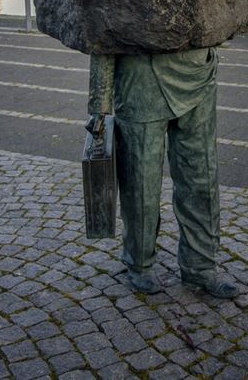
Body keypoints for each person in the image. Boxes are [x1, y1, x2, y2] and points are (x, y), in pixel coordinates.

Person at [88, 48, 238, 298]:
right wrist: (99, 103)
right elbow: (101, 26)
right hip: (140, 78)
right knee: (141, 182)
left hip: (197, 73)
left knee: (201, 176)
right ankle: (139, 263)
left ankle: (200, 266)